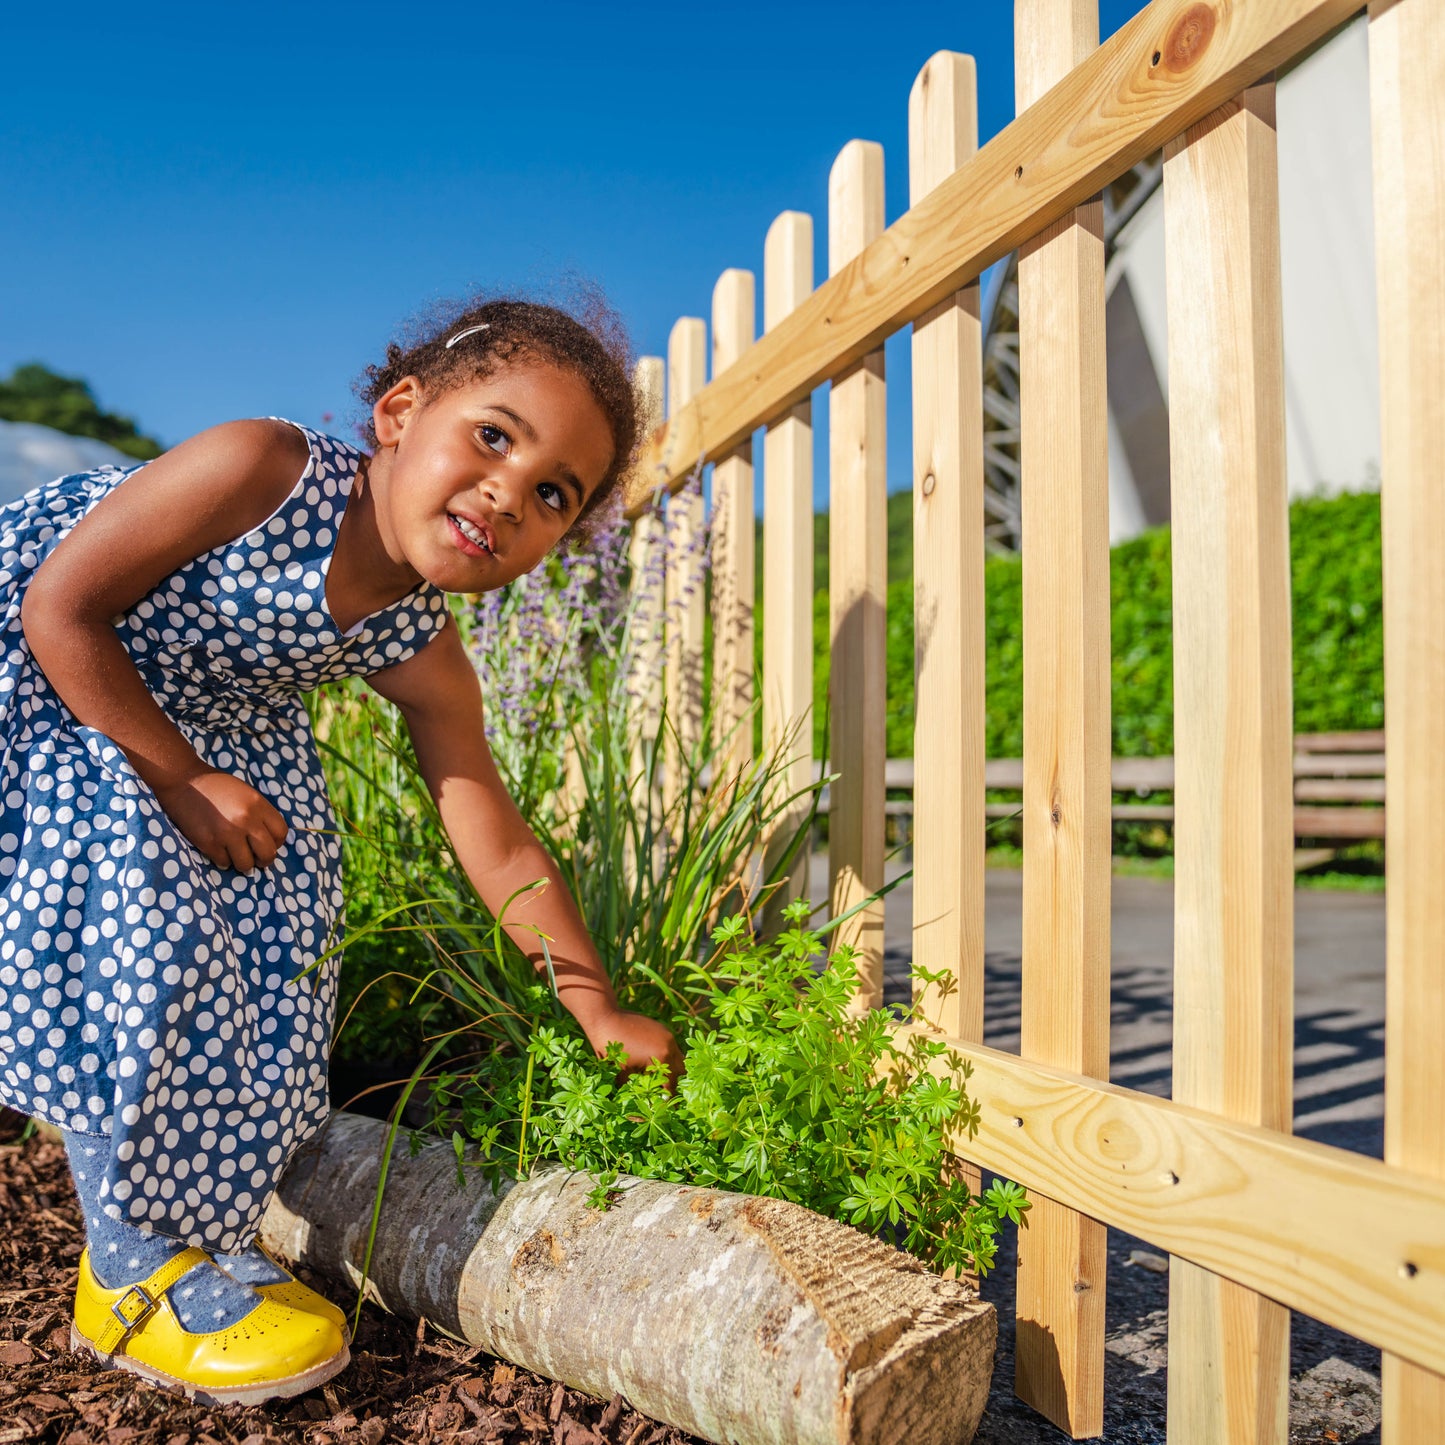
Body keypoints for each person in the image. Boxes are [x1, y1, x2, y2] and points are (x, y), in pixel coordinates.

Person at [0, 295, 683, 1406]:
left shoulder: (416, 638)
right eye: (494, 437)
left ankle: (202, 1229)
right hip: (60, 673)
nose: (510, 490)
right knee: (146, 900)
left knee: (291, 909)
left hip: (203, 728)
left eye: (553, 491)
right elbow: (60, 604)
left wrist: (593, 1000)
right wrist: (181, 777)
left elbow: (490, 822)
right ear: (400, 412)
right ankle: (124, 1271)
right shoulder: (259, 468)